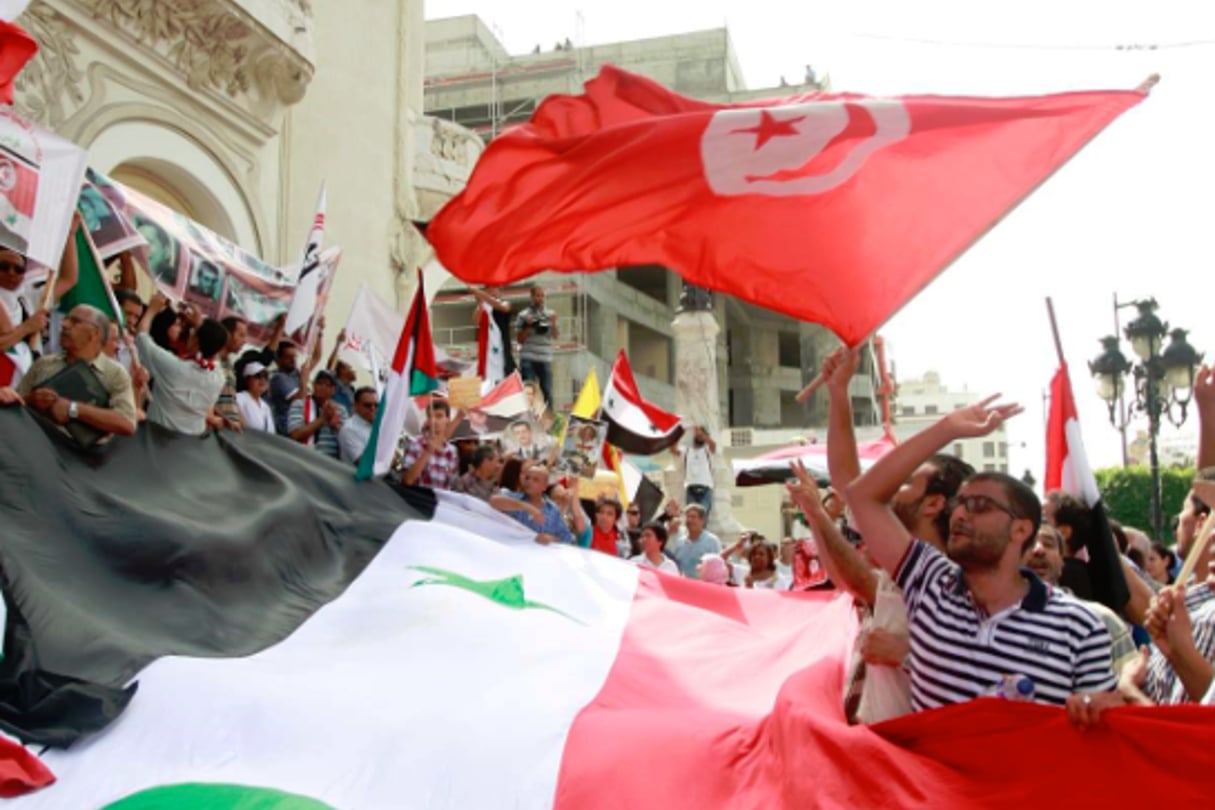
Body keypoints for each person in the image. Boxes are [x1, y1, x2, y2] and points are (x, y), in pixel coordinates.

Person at [843, 394, 1119, 720]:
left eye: (979, 506)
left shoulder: (1080, 626)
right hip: (928, 772)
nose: (960, 514)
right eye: (959, 503)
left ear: (1020, 530)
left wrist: (1102, 708)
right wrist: (947, 429)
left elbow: (1108, 724)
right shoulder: (929, 583)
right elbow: (862, 496)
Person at [3, 304, 136, 441]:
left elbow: (126, 423)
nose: (64, 324)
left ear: (94, 333)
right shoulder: (44, 364)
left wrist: (73, 409)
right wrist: (31, 400)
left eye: (75, 321)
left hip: (84, 458)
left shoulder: (115, 374)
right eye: (66, 319)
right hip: (38, 447)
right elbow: (15, 405)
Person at [136, 293, 228, 436]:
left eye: (192, 333)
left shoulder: (174, 367)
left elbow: (142, 338)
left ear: (196, 341)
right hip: (191, 444)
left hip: (157, 439)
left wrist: (152, 310)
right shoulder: (218, 376)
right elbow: (214, 348)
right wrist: (199, 325)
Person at [490, 461, 580, 545]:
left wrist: (551, 539)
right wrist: (527, 507)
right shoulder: (512, 497)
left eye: (535, 480)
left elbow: (567, 537)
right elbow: (494, 501)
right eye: (527, 478)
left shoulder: (553, 510)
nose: (529, 482)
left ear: (544, 486)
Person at [400, 398, 460, 489]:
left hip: (440, 501)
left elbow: (452, 485)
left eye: (439, 416)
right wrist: (428, 452)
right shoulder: (415, 444)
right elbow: (407, 480)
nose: (434, 421)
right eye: (431, 417)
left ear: (447, 420)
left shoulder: (452, 451)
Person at [288, 368, 347, 458]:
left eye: (328, 385)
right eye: (319, 383)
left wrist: (335, 426)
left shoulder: (340, 410)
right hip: (303, 458)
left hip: (330, 461)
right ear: (313, 385)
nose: (323, 387)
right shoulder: (299, 404)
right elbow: (295, 435)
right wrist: (323, 419)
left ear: (333, 390)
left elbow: (347, 440)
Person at [515, 284, 557, 409]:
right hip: (528, 357)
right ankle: (529, 417)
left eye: (542, 296)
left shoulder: (550, 314)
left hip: (545, 358)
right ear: (531, 297)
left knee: (548, 392)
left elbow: (555, 335)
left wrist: (553, 323)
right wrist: (528, 326)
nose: (540, 298)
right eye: (537, 296)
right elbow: (519, 339)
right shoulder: (523, 315)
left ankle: (550, 421)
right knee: (528, 391)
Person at [470, 286, 516, 379]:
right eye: (489, 289)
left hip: (502, 348)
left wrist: (481, 294)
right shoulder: (483, 307)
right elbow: (476, 320)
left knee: (504, 377)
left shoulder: (505, 303)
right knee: (488, 379)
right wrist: (480, 302)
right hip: (488, 350)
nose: (492, 292)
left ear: (500, 291)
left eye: (494, 288)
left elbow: (503, 308)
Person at [672, 425, 716, 519]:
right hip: (691, 488)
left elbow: (713, 445)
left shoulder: (707, 451)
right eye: (697, 434)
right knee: (691, 516)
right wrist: (679, 434)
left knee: (702, 517)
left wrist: (702, 434)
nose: (699, 436)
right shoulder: (687, 451)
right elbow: (673, 450)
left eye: (701, 434)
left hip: (705, 488)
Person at [671, 504, 721, 579]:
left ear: (702, 520)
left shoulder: (712, 541)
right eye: (688, 517)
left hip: (703, 587)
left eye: (693, 517)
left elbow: (717, 567)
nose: (689, 520)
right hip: (682, 586)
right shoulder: (680, 542)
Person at [338, 386, 378, 466]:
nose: (373, 408)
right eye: (368, 405)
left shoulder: (376, 426)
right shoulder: (349, 429)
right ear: (355, 405)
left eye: (376, 405)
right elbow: (363, 463)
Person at [236, 361, 275, 433]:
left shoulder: (266, 406)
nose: (262, 380)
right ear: (247, 380)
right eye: (257, 376)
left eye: (265, 376)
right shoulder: (239, 398)